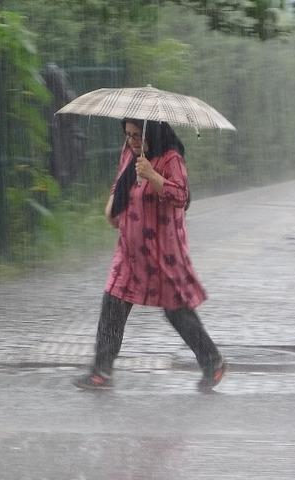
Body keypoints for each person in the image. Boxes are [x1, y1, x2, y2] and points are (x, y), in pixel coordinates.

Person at [73, 118, 226, 392]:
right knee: (113, 304)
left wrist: (153, 176)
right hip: (130, 252)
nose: (131, 141)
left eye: (136, 135)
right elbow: (119, 180)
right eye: (127, 135)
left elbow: (182, 196)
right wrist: (112, 205)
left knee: (176, 311)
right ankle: (101, 371)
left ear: (152, 133)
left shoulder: (171, 158)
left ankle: (212, 361)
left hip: (162, 253)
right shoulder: (129, 152)